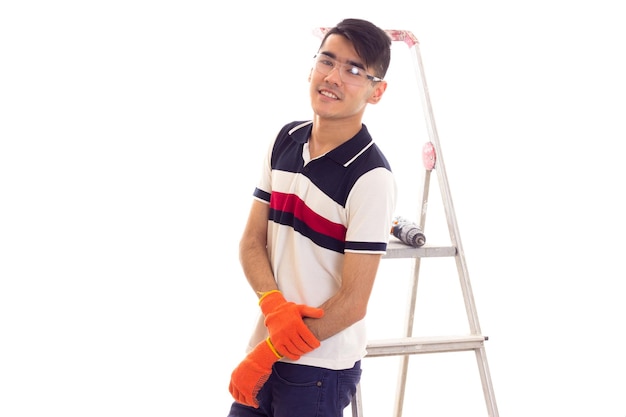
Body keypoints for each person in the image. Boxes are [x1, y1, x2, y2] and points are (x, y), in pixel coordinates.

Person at [227, 18, 397, 417]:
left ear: (377, 91)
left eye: (355, 70)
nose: (334, 77)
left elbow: (353, 304)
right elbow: (252, 242)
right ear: (311, 67)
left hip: (319, 370)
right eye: (328, 61)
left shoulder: (371, 178)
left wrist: (268, 351)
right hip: (267, 346)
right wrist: (273, 306)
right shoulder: (285, 140)